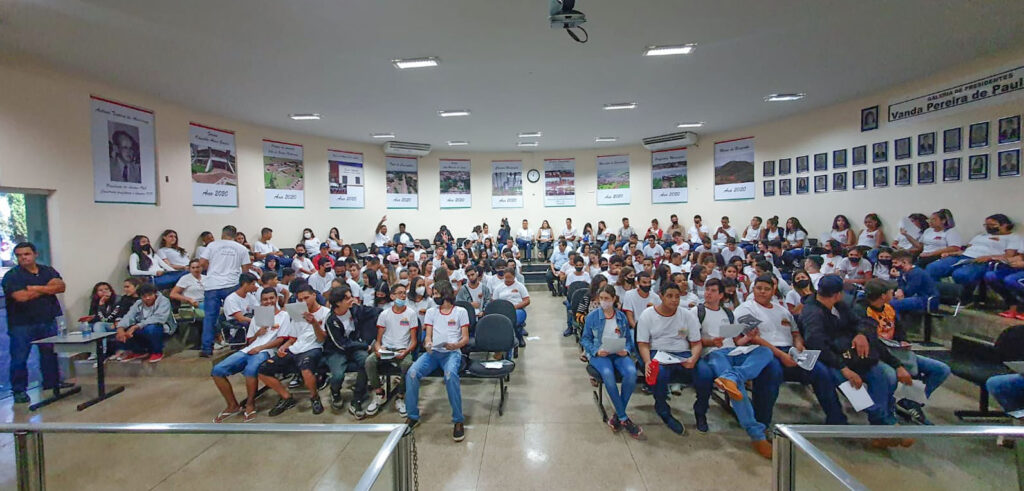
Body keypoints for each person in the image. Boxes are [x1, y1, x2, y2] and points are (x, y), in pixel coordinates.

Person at [802, 275, 913, 447]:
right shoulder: (813, 313)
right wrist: (844, 368)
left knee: (883, 375)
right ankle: (886, 426)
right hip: (832, 360)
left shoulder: (840, 306)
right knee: (853, 388)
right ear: (838, 293)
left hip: (856, 356)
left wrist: (860, 334)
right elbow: (816, 345)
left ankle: (880, 430)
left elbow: (862, 322)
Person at [741, 274, 848, 428]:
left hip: (790, 352)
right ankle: (761, 423)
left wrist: (799, 345)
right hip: (763, 352)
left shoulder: (782, 310)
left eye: (767, 289)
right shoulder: (746, 308)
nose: (762, 292)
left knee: (821, 371)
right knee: (772, 371)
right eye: (758, 288)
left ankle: (837, 419)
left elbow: (795, 333)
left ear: (774, 291)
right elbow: (755, 338)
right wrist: (782, 355)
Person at [693, 278, 774, 458]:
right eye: (707, 290)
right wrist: (710, 341)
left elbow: (737, 340)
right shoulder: (696, 311)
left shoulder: (729, 313)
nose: (709, 293)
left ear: (721, 295)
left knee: (766, 353)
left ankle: (732, 376)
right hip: (714, 352)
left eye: (713, 290)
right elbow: (692, 339)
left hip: (735, 350)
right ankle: (756, 434)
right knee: (736, 388)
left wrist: (748, 337)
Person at [858, 279, 950, 425]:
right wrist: (898, 366)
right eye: (891, 291)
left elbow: (899, 329)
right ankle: (884, 414)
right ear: (883, 295)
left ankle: (911, 402)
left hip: (897, 350)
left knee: (941, 369)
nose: (894, 293)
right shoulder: (862, 311)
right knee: (890, 376)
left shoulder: (889, 308)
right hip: (879, 354)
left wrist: (903, 340)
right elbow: (874, 343)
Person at [2, 242, 73, 403]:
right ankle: (19, 390)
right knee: (20, 358)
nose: (23, 258)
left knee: (49, 354)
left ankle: (52, 382)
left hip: (47, 320)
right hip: (22, 324)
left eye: (26, 254)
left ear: (35, 254)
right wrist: (47, 288)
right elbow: (21, 297)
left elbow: (60, 287)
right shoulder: (12, 276)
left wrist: (34, 288)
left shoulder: (47, 270)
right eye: (19, 255)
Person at [210, 287, 288, 423]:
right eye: (265, 299)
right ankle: (232, 405)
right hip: (250, 349)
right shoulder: (258, 316)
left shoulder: (283, 316)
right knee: (217, 370)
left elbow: (280, 340)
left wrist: (260, 348)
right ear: (261, 301)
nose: (268, 301)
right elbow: (250, 340)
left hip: (267, 350)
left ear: (276, 299)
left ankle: (250, 403)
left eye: (271, 298)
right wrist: (259, 333)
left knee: (251, 370)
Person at [404, 284, 470, 442]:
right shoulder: (432, 312)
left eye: (436, 293)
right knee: (412, 373)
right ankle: (412, 415)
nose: (434, 296)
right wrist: (427, 343)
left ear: (445, 294)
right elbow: (428, 335)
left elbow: (465, 338)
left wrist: (456, 345)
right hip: (434, 353)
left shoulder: (461, 312)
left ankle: (458, 420)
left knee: (450, 375)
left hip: (452, 352)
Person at [637, 281, 702, 436]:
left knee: (705, 373)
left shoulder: (687, 315)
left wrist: (693, 358)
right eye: (669, 296)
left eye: (677, 296)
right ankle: (662, 408)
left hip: (682, 353)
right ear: (661, 296)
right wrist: (647, 362)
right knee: (660, 373)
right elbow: (643, 343)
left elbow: (696, 342)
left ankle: (701, 412)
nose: (674, 300)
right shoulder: (648, 315)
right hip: (658, 352)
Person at [258, 285, 330, 416]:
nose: (304, 302)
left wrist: (314, 323)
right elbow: (293, 337)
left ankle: (314, 397)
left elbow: (321, 339)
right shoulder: (298, 312)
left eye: (306, 298)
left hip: (314, 347)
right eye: (300, 299)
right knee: (263, 369)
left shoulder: (325, 313)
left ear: (314, 295)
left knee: (306, 368)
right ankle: (286, 397)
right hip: (296, 347)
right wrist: (284, 346)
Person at [580, 285, 641, 437]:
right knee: (607, 374)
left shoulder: (620, 317)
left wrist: (626, 350)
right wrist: (595, 351)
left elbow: (627, 339)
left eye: (607, 298)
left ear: (614, 299)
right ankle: (623, 417)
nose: (603, 302)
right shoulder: (593, 317)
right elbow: (585, 339)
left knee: (631, 373)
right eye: (601, 299)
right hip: (600, 354)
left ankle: (617, 415)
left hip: (618, 352)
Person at [926, 214, 1021, 303]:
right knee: (933, 268)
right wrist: (952, 253)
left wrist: (989, 257)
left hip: (984, 261)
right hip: (963, 256)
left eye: (992, 224)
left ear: (1005, 225)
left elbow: (1009, 256)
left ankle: (963, 299)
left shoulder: (1013, 237)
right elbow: (967, 249)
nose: (988, 227)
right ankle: (935, 296)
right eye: (986, 224)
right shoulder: (981, 235)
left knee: (961, 274)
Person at [322, 285, 381, 417]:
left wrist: (388, 312)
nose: (352, 300)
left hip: (355, 345)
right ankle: (335, 392)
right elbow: (341, 344)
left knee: (366, 362)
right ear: (338, 303)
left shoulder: (354, 309)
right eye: (347, 298)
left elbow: (372, 311)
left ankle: (358, 397)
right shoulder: (331, 320)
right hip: (336, 350)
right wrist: (364, 346)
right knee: (338, 375)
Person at [363, 282, 419, 417]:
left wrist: (406, 351)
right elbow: (378, 338)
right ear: (392, 296)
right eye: (399, 293)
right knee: (369, 361)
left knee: (408, 364)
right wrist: (378, 348)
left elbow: (414, 341)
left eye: (404, 293)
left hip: (402, 349)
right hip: (386, 348)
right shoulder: (385, 314)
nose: (402, 296)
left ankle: (400, 396)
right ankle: (379, 392)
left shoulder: (411, 314)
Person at [198, 225, 252, 357]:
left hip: (212, 285)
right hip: (231, 284)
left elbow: (202, 262)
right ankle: (238, 342)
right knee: (236, 313)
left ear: (222, 234)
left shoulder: (212, 245)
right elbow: (246, 268)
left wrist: (212, 270)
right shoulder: (241, 248)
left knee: (210, 317)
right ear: (235, 235)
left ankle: (206, 349)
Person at [115, 283, 176, 363]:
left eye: (150, 295)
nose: (147, 298)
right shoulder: (138, 303)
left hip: (162, 327)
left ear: (155, 293)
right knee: (123, 332)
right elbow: (129, 316)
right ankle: (138, 351)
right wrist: (120, 328)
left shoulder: (164, 301)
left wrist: (136, 326)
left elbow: (159, 318)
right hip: (142, 327)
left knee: (151, 328)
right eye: (144, 296)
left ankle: (157, 352)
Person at [889, 250, 939, 314]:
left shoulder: (916, 273)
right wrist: (899, 288)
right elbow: (901, 287)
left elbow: (910, 291)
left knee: (893, 303)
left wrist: (900, 292)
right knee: (886, 301)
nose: (893, 265)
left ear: (904, 262)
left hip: (927, 300)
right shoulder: (903, 272)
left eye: (895, 263)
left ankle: (897, 323)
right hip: (916, 297)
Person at [492, 266, 531, 346]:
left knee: (514, 320)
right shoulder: (499, 288)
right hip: (502, 310)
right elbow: (494, 301)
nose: (508, 280)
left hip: (517, 309)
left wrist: (515, 306)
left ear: (514, 276)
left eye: (510, 278)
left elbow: (527, 300)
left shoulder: (519, 286)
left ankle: (518, 337)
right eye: (506, 278)